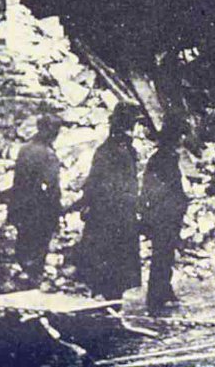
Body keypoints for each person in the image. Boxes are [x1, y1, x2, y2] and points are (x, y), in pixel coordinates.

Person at [67, 102, 142, 300]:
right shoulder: (122, 152)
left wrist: (82, 204)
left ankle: (107, 305)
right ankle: (109, 307)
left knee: (106, 272)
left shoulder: (108, 151)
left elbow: (93, 185)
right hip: (116, 220)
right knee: (114, 273)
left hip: (107, 219)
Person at [139, 117, 190, 314]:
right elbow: (159, 189)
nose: (181, 141)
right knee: (162, 254)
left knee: (166, 253)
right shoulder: (163, 159)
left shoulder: (164, 157)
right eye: (180, 136)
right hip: (164, 215)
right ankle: (155, 296)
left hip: (168, 214)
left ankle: (164, 289)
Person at [6, 114, 64, 281]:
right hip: (40, 209)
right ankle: (32, 277)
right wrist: (57, 210)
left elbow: (17, 182)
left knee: (24, 240)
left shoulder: (25, 149)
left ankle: (24, 272)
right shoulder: (48, 154)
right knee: (38, 244)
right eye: (55, 131)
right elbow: (52, 186)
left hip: (21, 206)